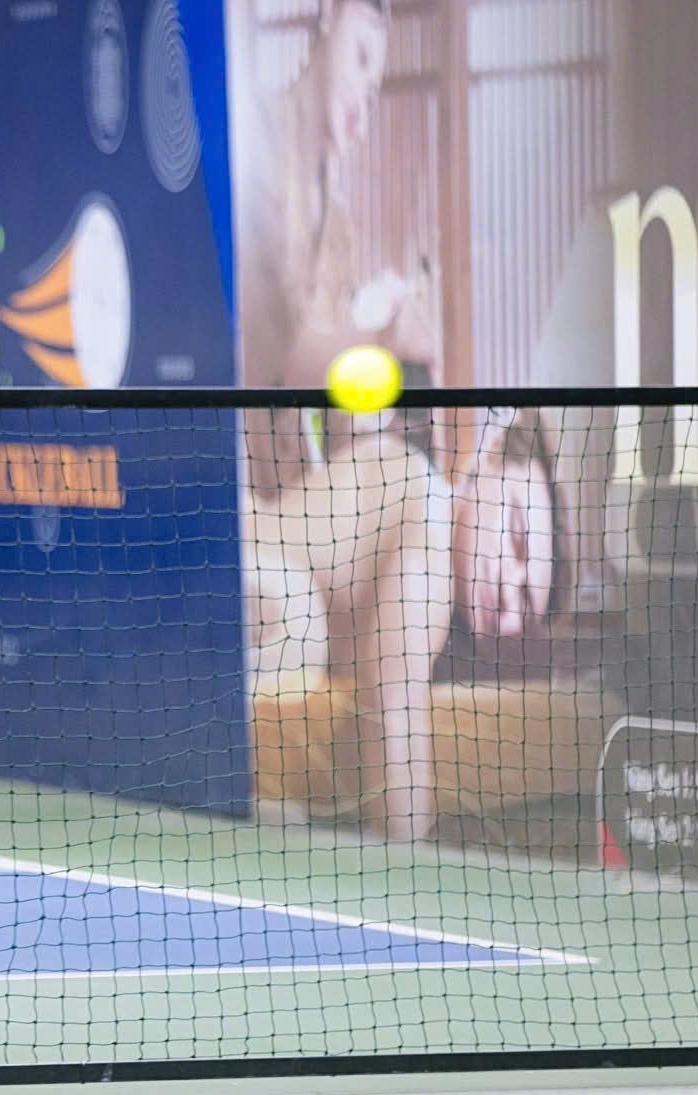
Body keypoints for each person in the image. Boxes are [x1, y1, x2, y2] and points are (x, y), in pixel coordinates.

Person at [234, 0, 554, 840]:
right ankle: (404, 844)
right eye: (363, 61)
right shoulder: (253, 143)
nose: (368, 95)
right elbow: (283, 347)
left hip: (292, 531)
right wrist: (382, 341)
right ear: (325, 27)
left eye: (522, 597)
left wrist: (386, 368)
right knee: (408, 491)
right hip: (223, 492)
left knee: (311, 608)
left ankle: (399, 848)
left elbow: (342, 404)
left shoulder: (338, 230)